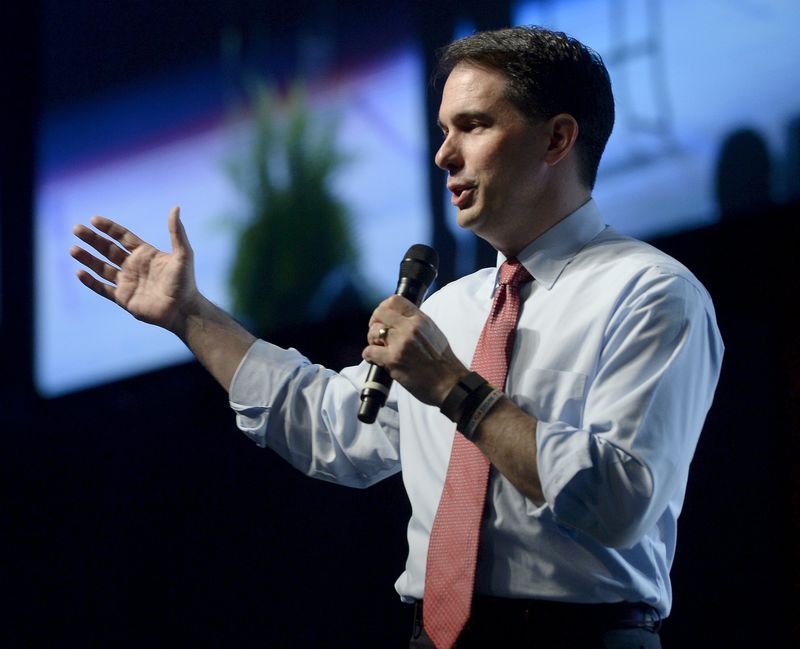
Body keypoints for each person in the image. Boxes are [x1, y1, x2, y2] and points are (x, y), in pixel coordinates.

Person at [70, 26, 723, 649]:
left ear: (556, 139)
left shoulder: (651, 294)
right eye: (444, 130)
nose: (444, 154)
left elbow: (619, 501)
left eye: (473, 125)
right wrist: (189, 315)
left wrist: (453, 388)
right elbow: (334, 428)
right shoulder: (452, 308)